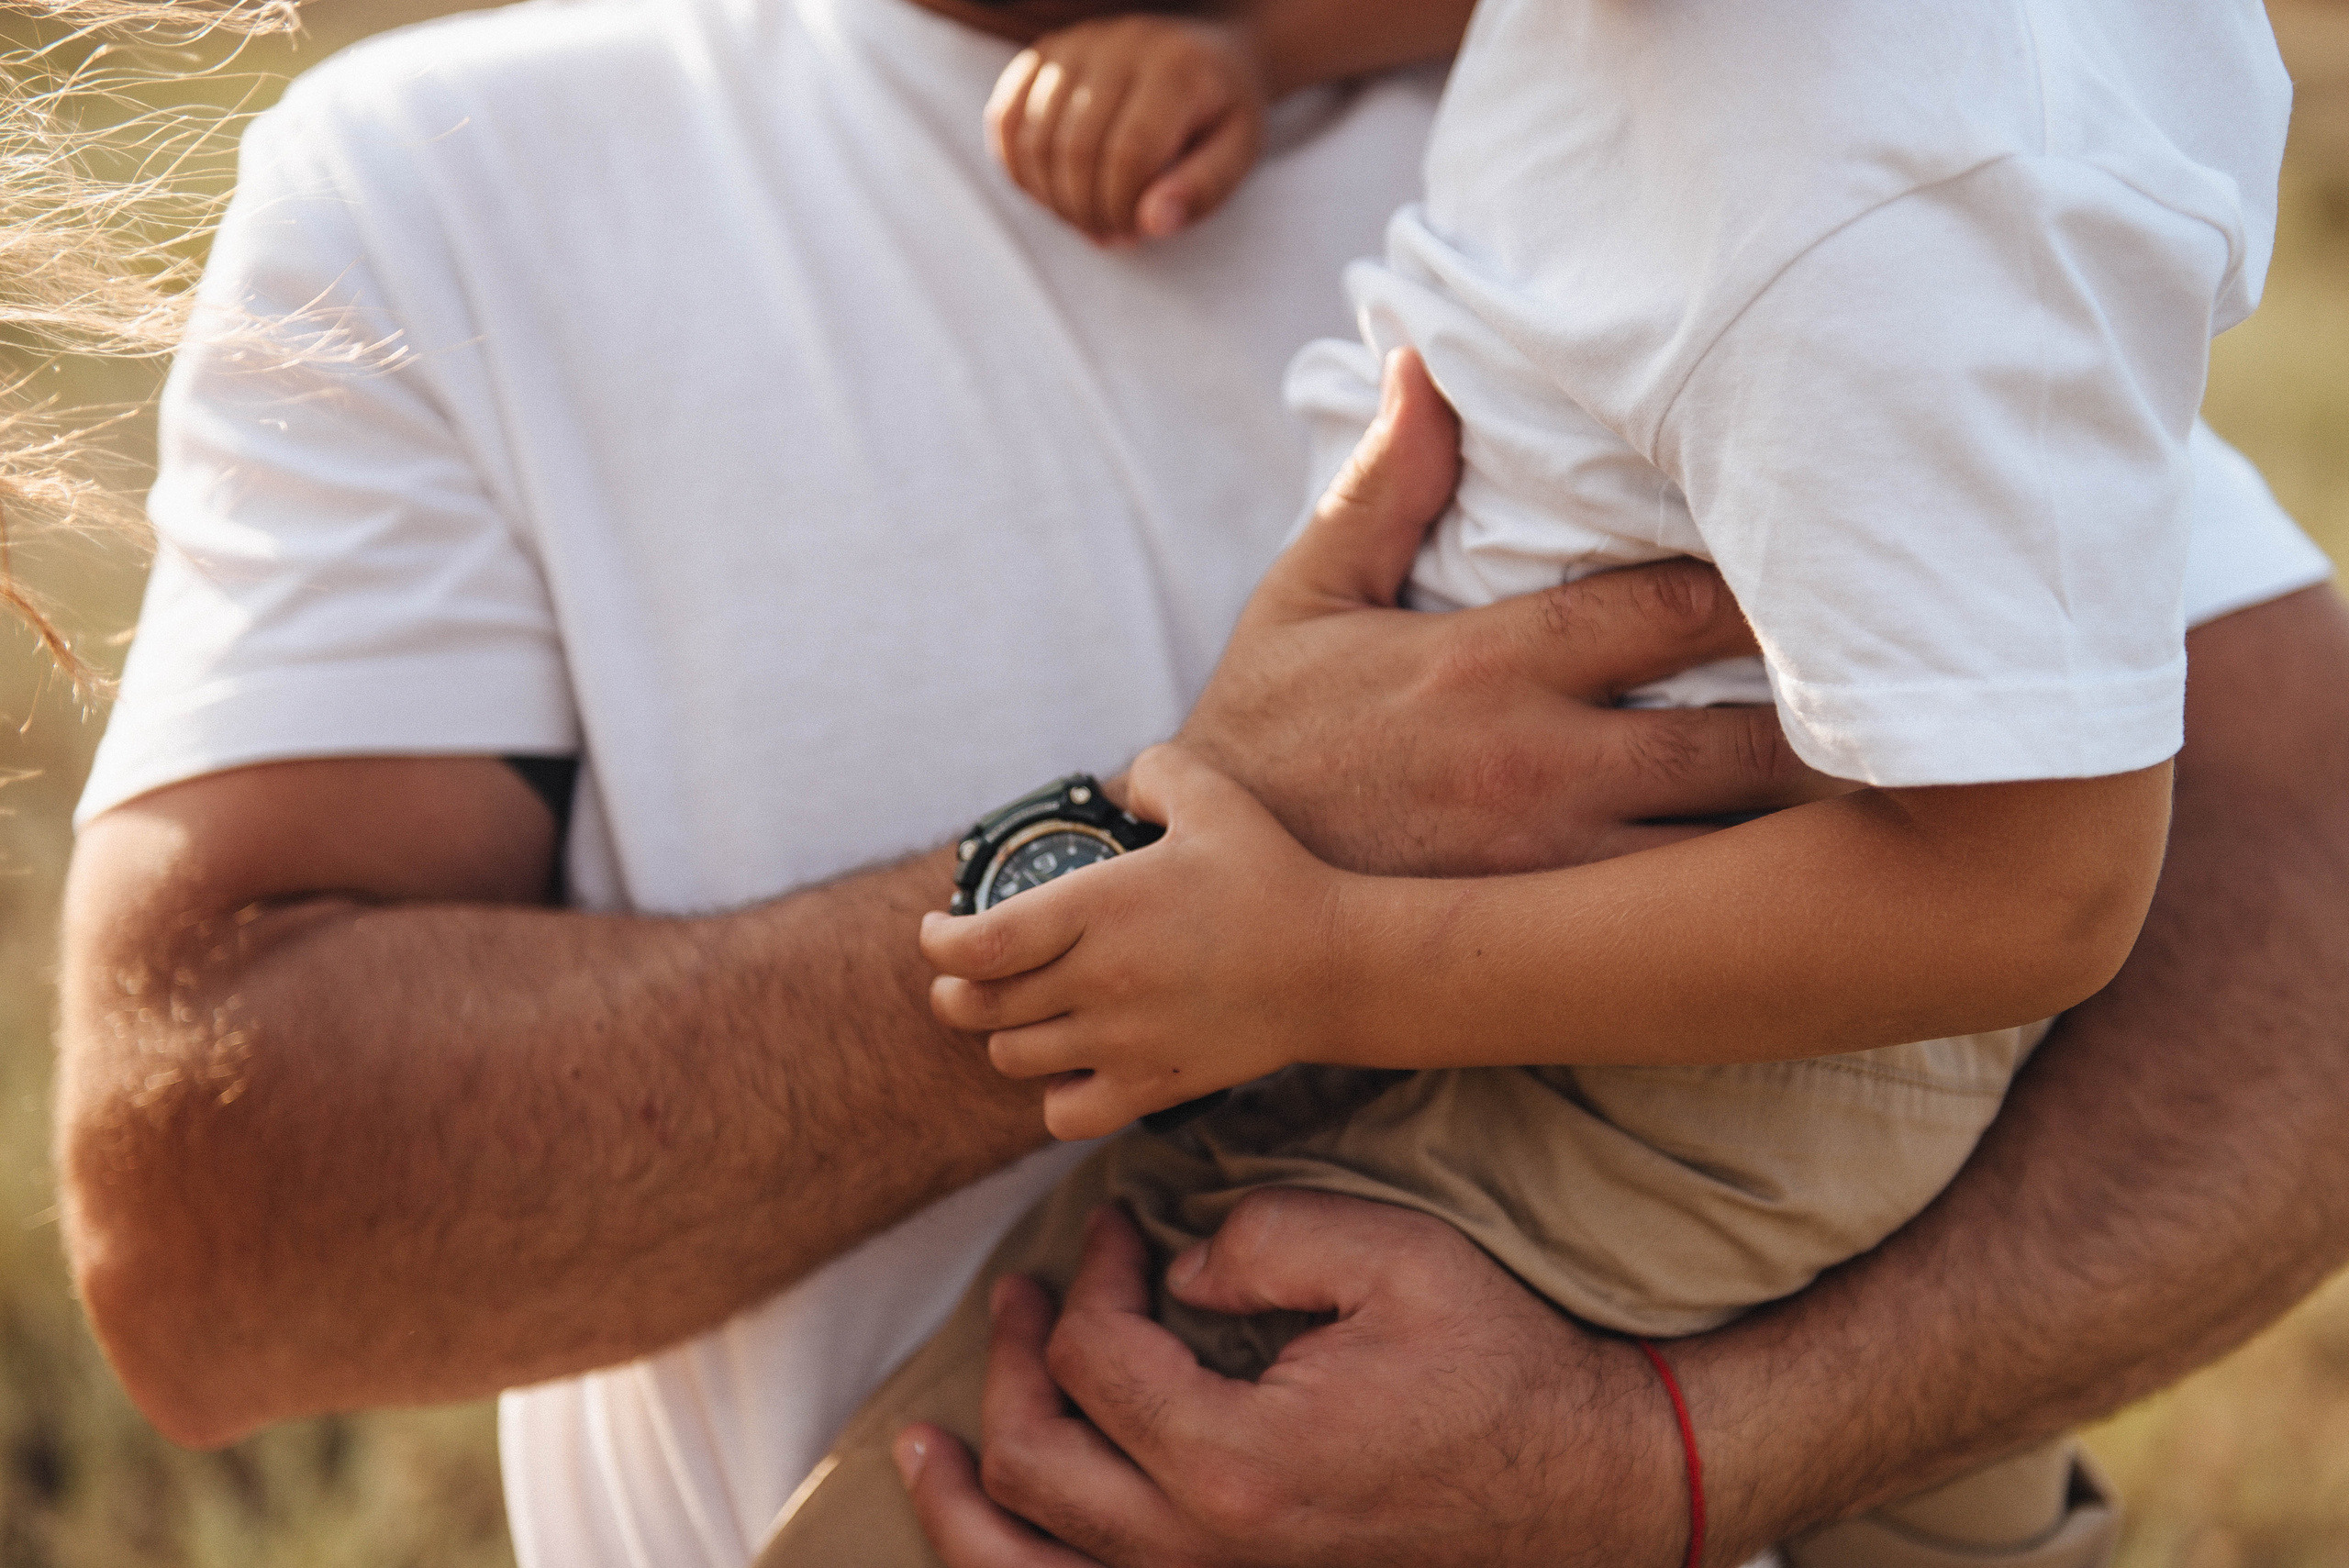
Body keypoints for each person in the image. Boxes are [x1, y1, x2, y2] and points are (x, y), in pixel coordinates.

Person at [49, 0, 2346, 1566]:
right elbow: (210, 1252)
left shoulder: (1845, 139)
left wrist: (1678, 1461)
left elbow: (2271, 871)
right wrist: (1167, 863)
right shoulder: (445, 184)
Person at [761, 1, 2296, 1558]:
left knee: (1007, 1476)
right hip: (1619, 971)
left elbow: (2036, 891)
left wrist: (1325, 965)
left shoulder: (1913, 187)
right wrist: (1268, 47)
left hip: (1672, 1022)